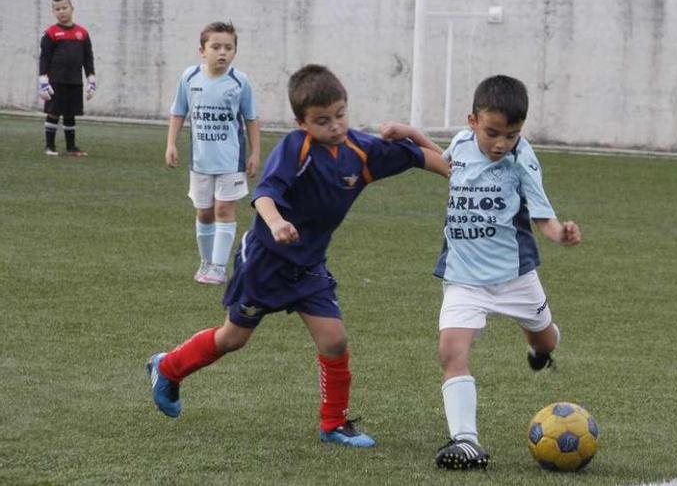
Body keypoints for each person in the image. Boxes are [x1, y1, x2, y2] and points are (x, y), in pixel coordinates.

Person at [146, 64, 450, 448]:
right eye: (322, 121)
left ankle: (334, 424)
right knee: (233, 338)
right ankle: (168, 368)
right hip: (265, 261)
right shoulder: (296, 147)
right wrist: (275, 223)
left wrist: (433, 153)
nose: (335, 127)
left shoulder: (360, 150)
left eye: (340, 115)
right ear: (301, 122)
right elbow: (265, 194)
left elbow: (428, 159)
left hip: (308, 266)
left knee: (334, 340)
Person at [431, 75, 582, 469]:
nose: (500, 144)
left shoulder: (522, 160)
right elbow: (445, 166)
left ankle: (539, 347)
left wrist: (560, 234)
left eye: (511, 135)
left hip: (514, 277)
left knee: (546, 342)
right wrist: (410, 136)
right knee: (451, 350)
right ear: (472, 121)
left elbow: (542, 218)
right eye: (492, 133)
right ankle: (465, 441)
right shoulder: (462, 144)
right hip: (464, 276)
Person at [165, 21, 261, 285]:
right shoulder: (189, 77)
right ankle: (206, 262)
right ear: (202, 50)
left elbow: (251, 118)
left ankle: (218, 268)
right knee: (204, 212)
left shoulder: (239, 81)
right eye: (216, 47)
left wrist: (255, 154)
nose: (222, 53)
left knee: (223, 210)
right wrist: (171, 143)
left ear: (234, 52)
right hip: (200, 161)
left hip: (231, 160)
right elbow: (178, 111)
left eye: (228, 48)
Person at [38, 0, 95, 157]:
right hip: (56, 81)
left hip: (75, 81)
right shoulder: (51, 33)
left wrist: (91, 78)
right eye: (57, 9)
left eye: (64, 7)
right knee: (54, 113)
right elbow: (45, 58)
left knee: (70, 114)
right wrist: (43, 79)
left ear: (72, 8)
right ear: (53, 12)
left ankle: (71, 147)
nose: (61, 11)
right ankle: (50, 146)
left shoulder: (82, 33)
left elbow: (88, 58)